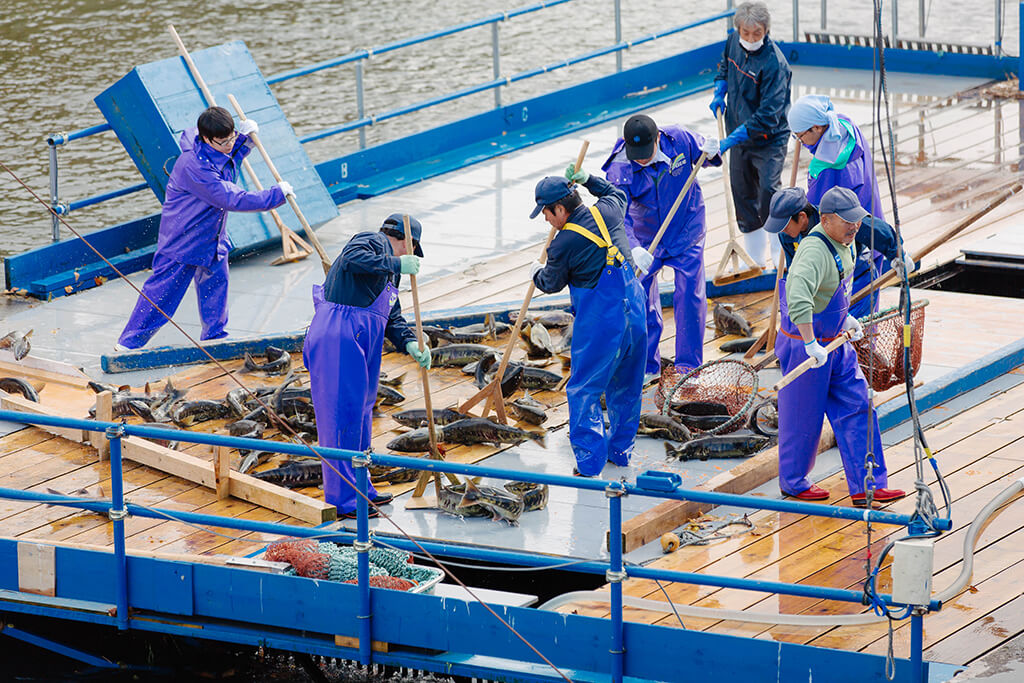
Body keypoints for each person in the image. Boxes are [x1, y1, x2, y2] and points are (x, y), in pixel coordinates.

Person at [116, 106, 291, 351]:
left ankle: (215, 337)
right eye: (224, 141)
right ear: (207, 138)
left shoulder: (219, 148)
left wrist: (245, 141)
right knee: (162, 294)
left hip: (212, 236)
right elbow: (230, 198)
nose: (229, 144)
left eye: (231, 137)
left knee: (216, 287)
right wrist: (274, 195)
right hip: (183, 239)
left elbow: (230, 160)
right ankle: (128, 344)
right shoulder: (194, 166)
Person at [773, 186, 905, 506]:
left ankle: (867, 483)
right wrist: (810, 343)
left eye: (857, 220)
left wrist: (844, 319)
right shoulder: (813, 251)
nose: (855, 226)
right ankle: (793, 482)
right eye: (848, 221)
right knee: (802, 416)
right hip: (805, 345)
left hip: (835, 342)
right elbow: (799, 297)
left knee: (858, 406)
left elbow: (831, 291)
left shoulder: (846, 240)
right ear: (827, 219)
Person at [303, 214, 432, 518]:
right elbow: (352, 258)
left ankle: (362, 490)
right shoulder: (371, 241)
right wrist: (397, 263)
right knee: (340, 418)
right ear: (403, 241)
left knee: (361, 415)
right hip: (339, 335)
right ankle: (343, 500)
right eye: (408, 250)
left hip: (363, 342)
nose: (406, 257)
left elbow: (393, 316)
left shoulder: (391, 274)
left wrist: (410, 343)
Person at [529, 168, 646, 477]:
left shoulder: (562, 244)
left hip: (601, 323)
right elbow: (615, 193)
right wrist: (588, 178)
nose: (546, 219)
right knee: (627, 383)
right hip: (634, 310)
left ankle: (590, 464)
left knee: (584, 389)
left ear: (561, 209)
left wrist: (535, 272)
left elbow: (551, 283)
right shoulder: (607, 210)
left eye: (546, 212)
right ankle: (620, 453)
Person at [602, 114, 720, 381]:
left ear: (658, 138)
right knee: (638, 298)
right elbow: (618, 217)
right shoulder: (619, 168)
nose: (641, 159)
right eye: (636, 155)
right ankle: (645, 365)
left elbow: (708, 154)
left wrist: (714, 150)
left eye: (645, 152)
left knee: (690, 296)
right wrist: (632, 248)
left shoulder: (679, 138)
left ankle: (688, 367)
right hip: (645, 240)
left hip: (686, 229)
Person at [788, 94, 889, 313]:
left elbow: (817, 214)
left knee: (848, 313)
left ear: (816, 128)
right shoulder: (844, 125)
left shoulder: (827, 167)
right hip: (870, 221)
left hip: (850, 244)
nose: (800, 142)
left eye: (800, 136)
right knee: (866, 307)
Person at [710, 0, 792, 269]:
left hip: (769, 138)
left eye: (757, 33)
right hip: (739, 131)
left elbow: (769, 114)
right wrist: (720, 87)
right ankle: (755, 260)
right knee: (741, 191)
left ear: (766, 30)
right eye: (746, 33)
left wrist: (732, 138)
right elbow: (725, 64)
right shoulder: (733, 41)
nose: (750, 39)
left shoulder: (775, 64)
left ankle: (782, 254)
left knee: (769, 191)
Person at [763, 186, 916, 319]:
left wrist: (897, 255)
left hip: (857, 280)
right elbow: (794, 270)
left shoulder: (835, 219)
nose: (782, 230)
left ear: (802, 217)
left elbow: (877, 229)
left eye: (784, 225)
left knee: (857, 338)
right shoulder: (786, 236)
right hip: (826, 291)